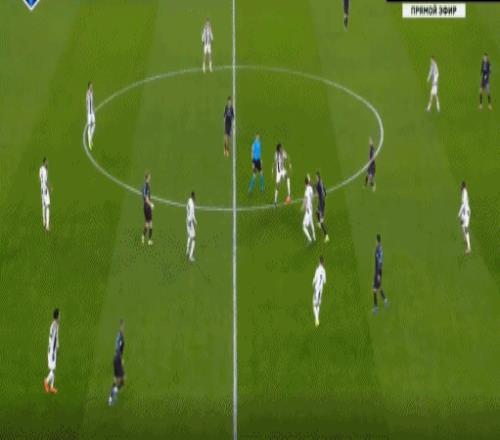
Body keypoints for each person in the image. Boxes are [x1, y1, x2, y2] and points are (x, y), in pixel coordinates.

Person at [108, 320, 125, 406]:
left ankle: (111, 398)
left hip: (116, 360)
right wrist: (121, 359)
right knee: (121, 381)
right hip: (117, 360)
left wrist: (121, 325)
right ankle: (111, 397)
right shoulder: (120, 339)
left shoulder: (120, 336)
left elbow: (121, 332)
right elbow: (118, 349)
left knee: (118, 380)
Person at [44, 308, 60, 394]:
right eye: (59, 315)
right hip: (52, 351)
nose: (60, 316)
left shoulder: (55, 324)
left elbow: (56, 337)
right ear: (57, 316)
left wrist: (57, 347)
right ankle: (46, 381)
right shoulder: (54, 325)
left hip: (53, 350)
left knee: (53, 370)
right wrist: (55, 349)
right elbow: (54, 338)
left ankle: (51, 387)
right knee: (52, 370)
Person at [372, 234, 388, 315]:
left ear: (377, 240)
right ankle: (385, 301)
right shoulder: (379, 248)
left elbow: (379, 262)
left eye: (375, 240)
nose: (375, 242)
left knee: (375, 289)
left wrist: (378, 274)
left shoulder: (379, 249)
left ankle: (376, 308)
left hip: (378, 272)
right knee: (378, 287)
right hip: (378, 271)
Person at [312, 256, 326, 327]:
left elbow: (314, 279)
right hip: (321, 289)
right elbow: (324, 281)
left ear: (319, 262)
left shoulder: (317, 269)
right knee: (318, 305)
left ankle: (317, 319)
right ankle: (317, 319)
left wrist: (313, 282)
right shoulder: (324, 271)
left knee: (314, 305)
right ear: (323, 262)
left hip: (317, 288)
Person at [315, 172, 330, 243]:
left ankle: (326, 236)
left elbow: (316, 192)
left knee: (321, 221)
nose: (316, 178)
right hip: (322, 201)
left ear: (317, 177)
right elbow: (325, 192)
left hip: (321, 203)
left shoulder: (318, 184)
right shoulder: (321, 182)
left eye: (316, 177)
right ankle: (318, 223)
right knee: (316, 212)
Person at [458, 181, 471, 254]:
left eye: (461, 186)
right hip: (464, 212)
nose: (460, 187)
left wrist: (459, 213)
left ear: (463, 186)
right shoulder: (463, 192)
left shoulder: (464, 193)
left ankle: (469, 247)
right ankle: (465, 237)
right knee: (461, 224)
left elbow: (463, 204)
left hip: (466, 213)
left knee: (466, 228)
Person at [142, 173, 154, 245]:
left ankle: (143, 236)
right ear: (147, 178)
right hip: (147, 207)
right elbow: (146, 198)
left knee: (147, 223)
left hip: (145, 207)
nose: (150, 178)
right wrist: (151, 204)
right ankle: (149, 241)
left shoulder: (145, 186)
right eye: (149, 177)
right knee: (151, 224)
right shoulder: (146, 186)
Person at [302, 175, 316, 243]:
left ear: (305, 183)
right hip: (311, 207)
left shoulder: (306, 191)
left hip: (308, 210)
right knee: (311, 222)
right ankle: (314, 237)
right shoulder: (310, 188)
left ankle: (310, 240)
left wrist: (303, 207)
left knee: (304, 226)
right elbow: (312, 197)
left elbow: (305, 200)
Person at [39, 157, 51, 232]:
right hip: (45, 190)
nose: (47, 163)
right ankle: (47, 226)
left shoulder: (40, 169)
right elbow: (45, 181)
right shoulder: (45, 171)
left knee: (43, 206)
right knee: (48, 206)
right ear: (44, 162)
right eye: (47, 162)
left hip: (42, 190)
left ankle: (44, 222)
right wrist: (49, 188)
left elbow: (40, 179)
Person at [186, 191, 197, 262]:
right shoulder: (192, 206)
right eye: (194, 196)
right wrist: (193, 222)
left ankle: (187, 250)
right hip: (189, 222)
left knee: (189, 236)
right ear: (193, 197)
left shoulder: (189, 200)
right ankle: (190, 256)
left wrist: (195, 220)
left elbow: (188, 211)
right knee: (193, 238)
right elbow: (191, 215)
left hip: (186, 220)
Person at [86, 81, 96, 149]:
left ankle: (90, 139)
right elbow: (87, 102)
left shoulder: (92, 92)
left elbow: (92, 102)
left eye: (92, 85)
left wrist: (93, 108)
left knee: (94, 125)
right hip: (89, 113)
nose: (92, 86)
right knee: (89, 126)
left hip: (92, 112)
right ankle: (89, 142)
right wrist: (87, 110)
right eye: (91, 86)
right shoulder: (88, 93)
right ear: (89, 86)